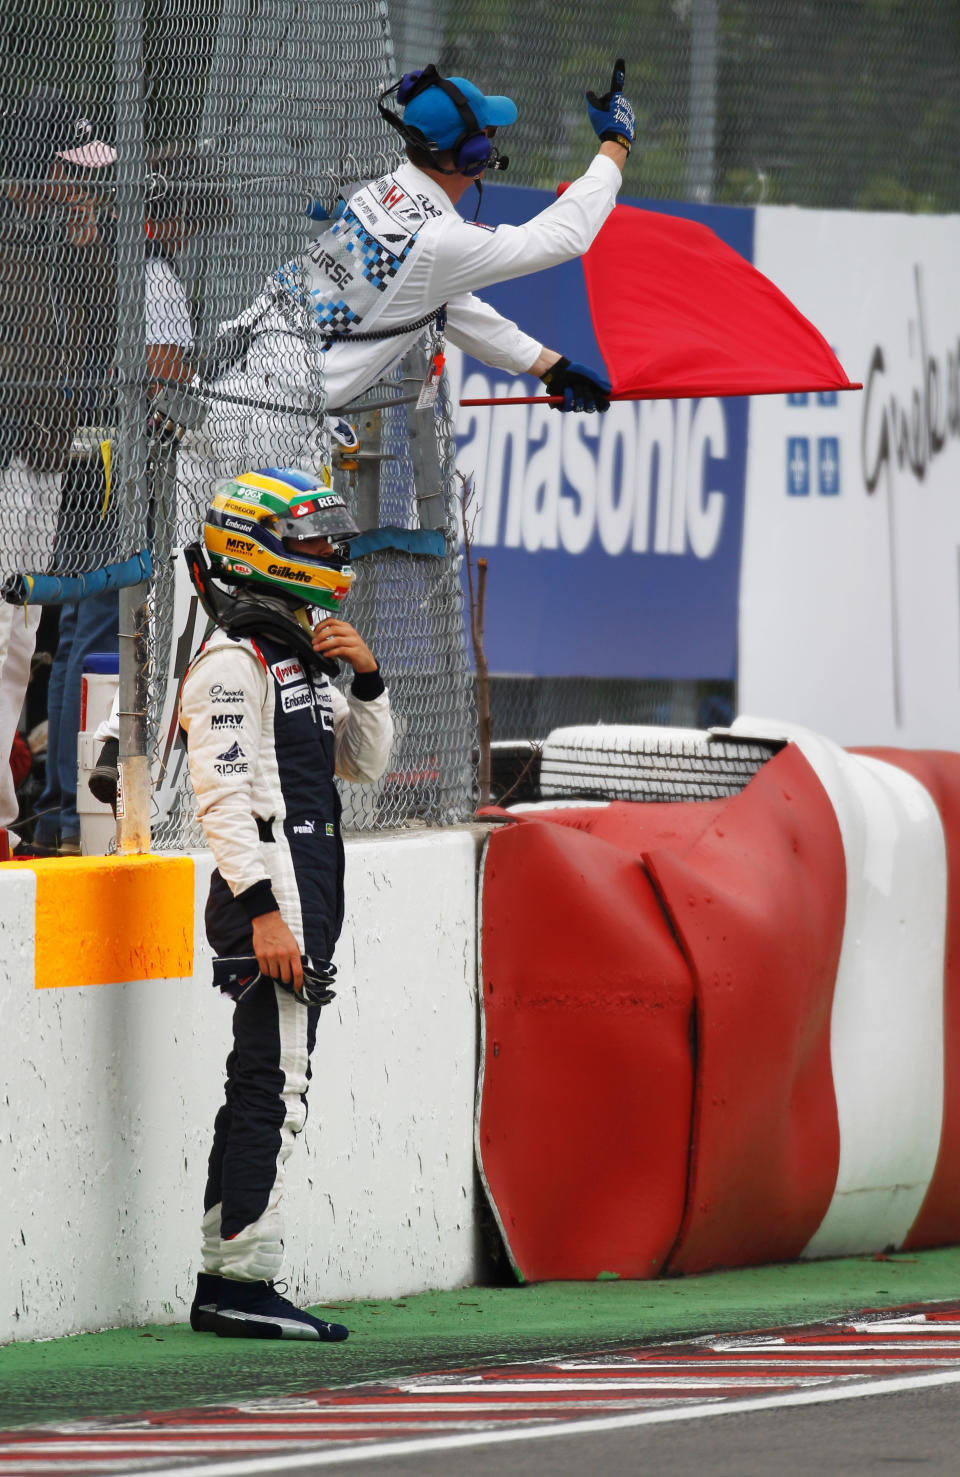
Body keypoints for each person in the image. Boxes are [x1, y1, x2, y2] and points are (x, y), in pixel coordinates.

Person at [182, 61, 635, 519]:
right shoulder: (437, 239)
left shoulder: (376, 193)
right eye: (488, 137)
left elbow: (441, 305)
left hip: (215, 395)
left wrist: (549, 367)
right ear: (472, 156)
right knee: (298, 584)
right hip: (274, 429)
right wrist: (615, 145)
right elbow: (565, 236)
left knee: (183, 580)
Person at [179, 465, 393, 1340]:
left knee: (258, 1084)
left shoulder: (293, 650)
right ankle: (241, 1281)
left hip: (301, 901)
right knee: (277, 1085)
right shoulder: (231, 660)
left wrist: (369, 679)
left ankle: (224, 1275)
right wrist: (264, 910)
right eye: (309, 537)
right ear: (258, 549)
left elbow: (364, 764)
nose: (330, 549)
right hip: (269, 907)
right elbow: (221, 800)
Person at [0, 85, 117, 852]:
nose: (82, 189)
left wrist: (84, 248)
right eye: (68, 174)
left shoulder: (52, 243)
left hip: (37, 464)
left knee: (16, 640)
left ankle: (3, 818)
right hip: (8, 458)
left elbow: (97, 352)